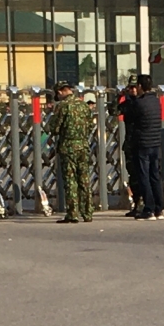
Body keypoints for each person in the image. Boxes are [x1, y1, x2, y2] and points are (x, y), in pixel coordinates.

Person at [119, 73, 164, 221]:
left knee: (143, 176)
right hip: (155, 143)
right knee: (155, 176)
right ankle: (159, 209)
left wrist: (125, 97)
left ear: (140, 86)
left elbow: (124, 112)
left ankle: (148, 208)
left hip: (142, 143)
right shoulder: (155, 101)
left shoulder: (138, 104)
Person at [51, 81, 94, 222]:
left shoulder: (63, 106)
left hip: (68, 146)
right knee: (84, 179)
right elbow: (89, 125)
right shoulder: (83, 105)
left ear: (60, 92)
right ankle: (87, 213)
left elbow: (54, 128)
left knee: (70, 180)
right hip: (83, 145)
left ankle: (72, 213)